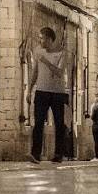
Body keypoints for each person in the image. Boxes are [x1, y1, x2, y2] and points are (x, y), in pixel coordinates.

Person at [27, 26, 70, 164]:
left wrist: (46, 61)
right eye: (39, 38)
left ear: (50, 39)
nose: (40, 41)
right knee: (38, 122)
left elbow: (59, 72)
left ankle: (58, 153)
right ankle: (36, 153)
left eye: (42, 38)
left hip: (57, 92)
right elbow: (35, 71)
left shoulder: (62, 53)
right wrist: (29, 89)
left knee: (59, 123)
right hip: (41, 91)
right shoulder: (37, 51)